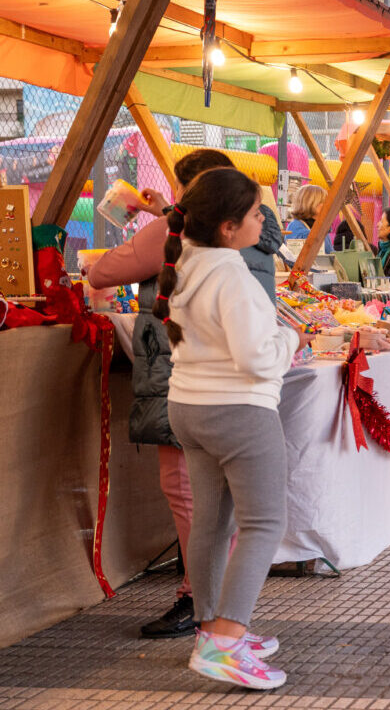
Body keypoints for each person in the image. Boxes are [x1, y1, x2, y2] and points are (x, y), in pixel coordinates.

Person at [156, 168, 308, 689]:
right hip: (239, 411)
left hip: (189, 409)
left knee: (212, 524)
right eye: (254, 212)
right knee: (264, 523)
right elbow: (256, 359)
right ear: (227, 226)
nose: (262, 218)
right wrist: (293, 340)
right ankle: (224, 643)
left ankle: (210, 632)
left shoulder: (188, 263)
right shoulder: (232, 274)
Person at [84, 149, 242, 640]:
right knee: (215, 493)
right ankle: (218, 598)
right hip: (223, 376)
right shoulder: (230, 229)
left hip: (182, 373)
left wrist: (157, 221)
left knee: (185, 489)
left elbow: (103, 272)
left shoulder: (176, 231)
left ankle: (203, 602)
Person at [284, 184, 332, 253]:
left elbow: (330, 253)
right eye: (323, 201)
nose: (327, 205)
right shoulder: (295, 225)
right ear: (311, 203)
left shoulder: (319, 226)